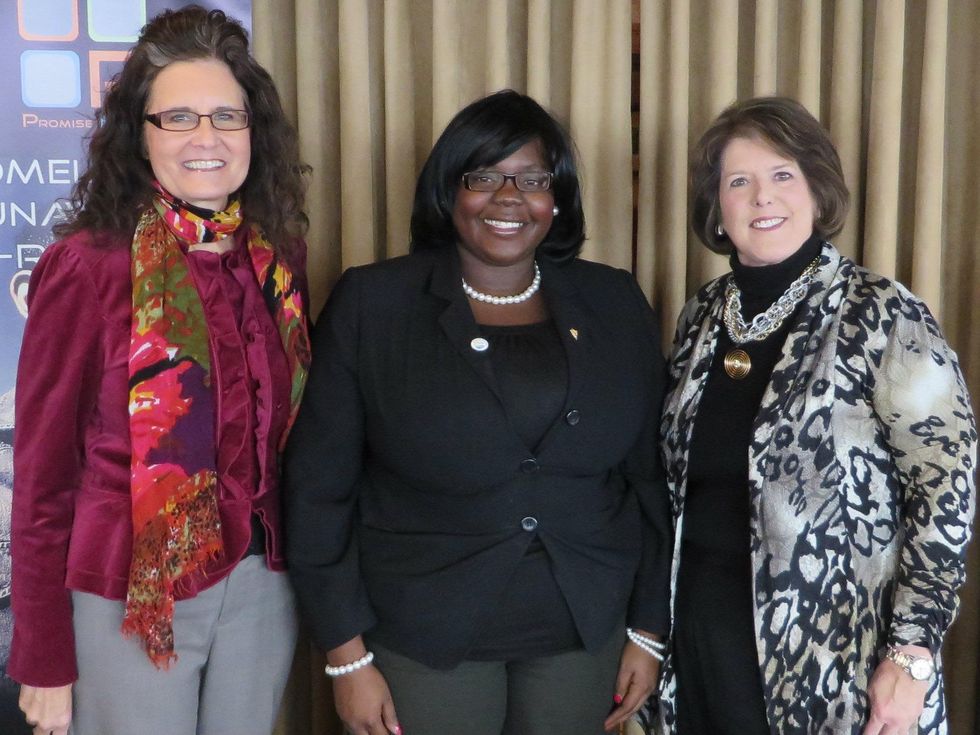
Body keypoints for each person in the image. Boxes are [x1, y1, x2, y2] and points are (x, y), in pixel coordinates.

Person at [284, 89, 672, 735]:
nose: (509, 196)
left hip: (584, 629)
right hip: (423, 632)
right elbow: (318, 489)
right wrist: (345, 657)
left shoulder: (615, 301)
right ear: (449, 189)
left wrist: (650, 627)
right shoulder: (373, 305)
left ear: (558, 197)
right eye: (484, 175)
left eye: (533, 178)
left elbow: (648, 481)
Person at [11, 7, 310, 734]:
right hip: (129, 592)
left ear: (253, 132)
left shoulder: (276, 260)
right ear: (139, 137)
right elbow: (43, 481)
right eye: (177, 117)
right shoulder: (88, 266)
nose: (205, 138)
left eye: (225, 116)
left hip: (263, 583)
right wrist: (44, 660)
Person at [653, 96, 976, 734]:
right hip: (700, 641)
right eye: (739, 181)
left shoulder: (882, 313)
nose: (761, 198)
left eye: (782, 175)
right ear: (717, 206)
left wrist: (911, 655)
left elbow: (947, 488)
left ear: (818, 192)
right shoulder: (700, 318)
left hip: (840, 657)